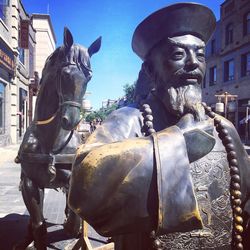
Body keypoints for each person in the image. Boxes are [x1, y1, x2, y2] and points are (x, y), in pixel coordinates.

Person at [69, 3, 250, 250]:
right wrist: (178, 145)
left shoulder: (224, 129)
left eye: (200, 54)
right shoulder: (129, 119)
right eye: (178, 55)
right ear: (151, 70)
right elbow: (83, 185)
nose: (193, 64)